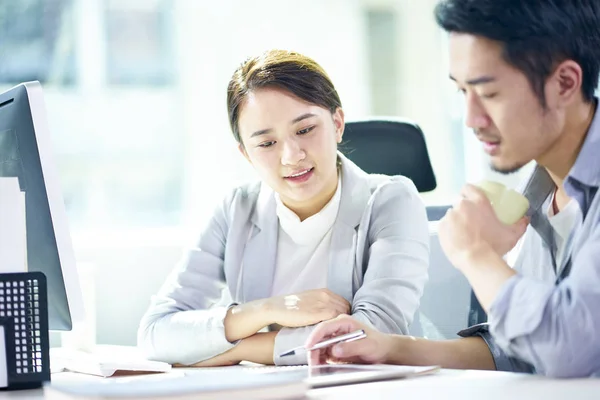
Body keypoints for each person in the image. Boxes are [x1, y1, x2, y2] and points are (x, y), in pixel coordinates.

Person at [306, 0, 600, 378]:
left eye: (489, 94)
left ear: (564, 83)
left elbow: (567, 348)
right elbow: (527, 351)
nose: (471, 120)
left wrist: (475, 253)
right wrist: (386, 346)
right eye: (462, 92)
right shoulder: (542, 196)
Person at [137, 49, 429, 367]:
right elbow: (155, 333)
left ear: (337, 124)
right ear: (246, 153)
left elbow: (366, 340)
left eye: (304, 130)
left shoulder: (393, 201)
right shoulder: (236, 209)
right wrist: (269, 309)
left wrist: (240, 349)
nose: (291, 156)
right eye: (266, 143)